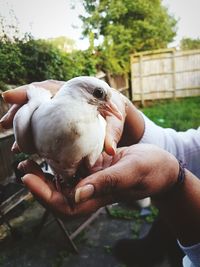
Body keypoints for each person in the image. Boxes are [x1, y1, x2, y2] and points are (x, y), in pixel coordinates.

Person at [0, 80, 200, 267]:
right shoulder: (30, 115)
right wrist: (126, 110)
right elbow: (188, 149)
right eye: (99, 94)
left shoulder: (95, 128)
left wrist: (175, 184)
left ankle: (154, 251)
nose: (110, 107)